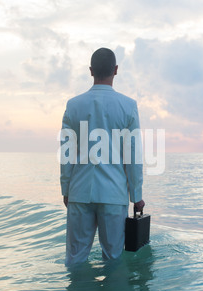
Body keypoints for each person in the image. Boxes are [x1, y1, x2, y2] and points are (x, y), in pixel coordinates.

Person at [60, 48, 145, 267]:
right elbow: (133, 156)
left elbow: (66, 153)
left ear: (91, 71)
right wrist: (136, 195)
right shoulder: (128, 106)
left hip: (79, 192)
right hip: (114, 194)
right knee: (113, 259)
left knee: (75, 259)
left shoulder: (73, 105)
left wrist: (66, 189)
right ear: (116, 70)